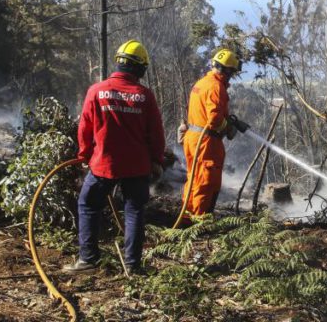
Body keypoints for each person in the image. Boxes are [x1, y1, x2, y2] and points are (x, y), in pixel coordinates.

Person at [65, 40, 166, 273]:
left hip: (103, 165)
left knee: (89, 205)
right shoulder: (145, 95)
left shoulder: (96, 91)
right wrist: (157, 160)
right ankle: (133, 266)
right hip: (137, 167)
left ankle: (88, 259)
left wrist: (84, 155)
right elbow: (156, 134)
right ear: (140, 68)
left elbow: (85, 128)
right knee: (134, 212)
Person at [179, 48, 242, 218]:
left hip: (194, 138)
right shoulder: (216, 87)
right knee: (206, 182)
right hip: (206, 142)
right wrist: (228, 128)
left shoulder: (202, 83)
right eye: (231, 72)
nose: (231, 76)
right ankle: (199, 222)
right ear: (227, 70)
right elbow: (214, 119)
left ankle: (187, 218)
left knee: (194, 179)